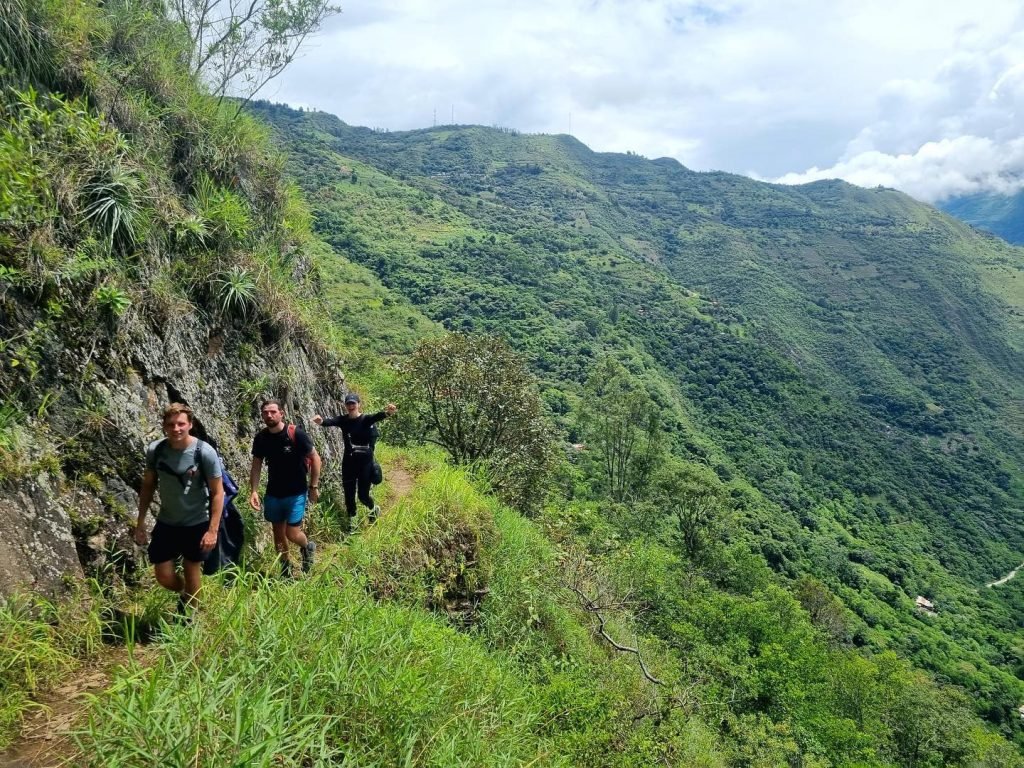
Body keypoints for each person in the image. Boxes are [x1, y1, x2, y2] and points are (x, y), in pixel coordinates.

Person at [134, 403, 224, 613]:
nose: (176, 429)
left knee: (192, 568)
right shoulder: (156, 450)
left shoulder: (205, 452)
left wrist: (212, 530)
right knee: (164, 576)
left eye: (181, 424)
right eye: (171, 424)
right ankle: (189, 594)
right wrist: (140, 522)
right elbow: (148, 486)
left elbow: (218, 493)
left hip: (197, 522)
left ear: (190, 425)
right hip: (167, 522)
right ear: (164, 426)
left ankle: (190, 616)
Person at [249, 399, 321, 577]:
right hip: (274, 493)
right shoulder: (261, 438)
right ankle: (285, 569)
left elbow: (316, 458)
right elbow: (256, 465)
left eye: (273, 412)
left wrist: (313, 486)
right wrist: (254, 491)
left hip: (296, 492)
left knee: (292, 532)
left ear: (282, 413)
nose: (269, 415)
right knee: (278, 533)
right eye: (265, 412)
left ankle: (307, 546)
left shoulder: (295, 433)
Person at [313, 394, 396, 533]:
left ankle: (373, 508)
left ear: (358, 404)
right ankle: (353, 522)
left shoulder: (366, 419)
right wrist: (320, 421)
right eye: (348, 404)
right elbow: (330, 421)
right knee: (349, 494)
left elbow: (378, 416)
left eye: (353, 403)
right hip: (349, 462)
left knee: (363, 495)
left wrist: (388, 412)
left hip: (365, 463)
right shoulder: (343, 420)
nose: (351, 406)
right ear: (345, 405)